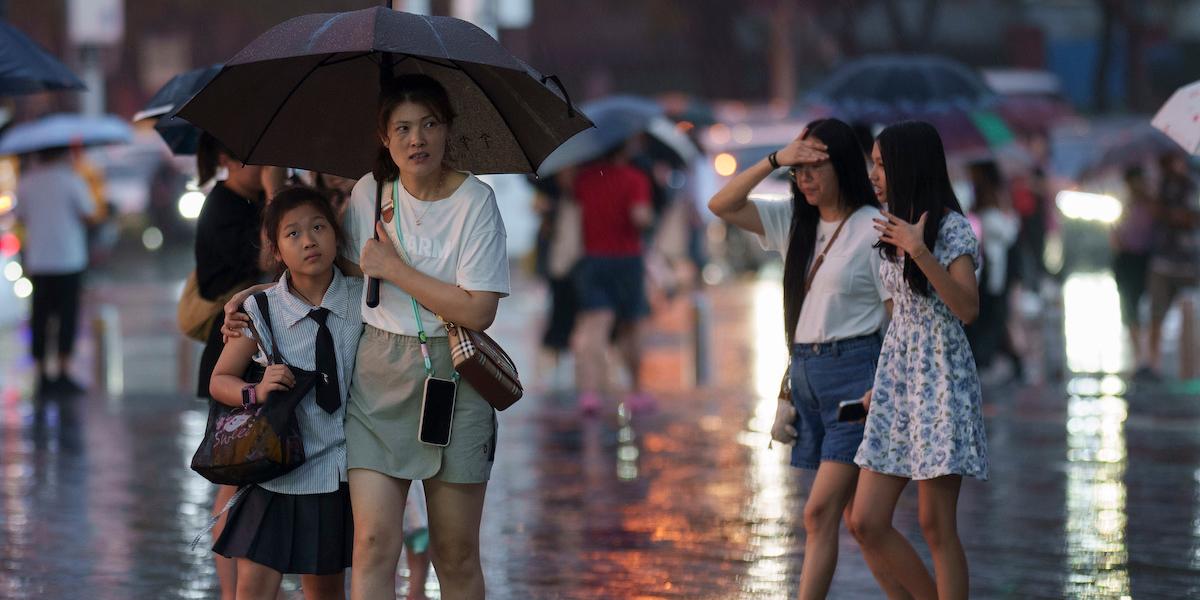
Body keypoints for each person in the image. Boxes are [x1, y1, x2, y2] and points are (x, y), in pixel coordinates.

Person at [709, 118, 901, 600]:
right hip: (810, 377)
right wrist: (776, 159)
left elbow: (899, 320)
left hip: (857, 380)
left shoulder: (871, 229)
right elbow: (722, 204)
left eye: (816, 167)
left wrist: (887, 383)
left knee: (820, 514)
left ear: (843, 167)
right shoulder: (795, 222)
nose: (806, 180)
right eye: (800, 172)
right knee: (863, 523)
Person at [340, 73, 508, 600]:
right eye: (404, 128)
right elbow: (339, 275)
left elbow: (478, 309)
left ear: (447, 130)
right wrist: (254, 299)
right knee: (371, 542)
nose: (417, 139)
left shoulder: (476, 201)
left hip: (455, 375)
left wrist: (394, 268)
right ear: (385, 139)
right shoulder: (369, 193)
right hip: (377, 376)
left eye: (429, 124)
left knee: (455, 552)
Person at [851, 121, 986, 600]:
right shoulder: (889, 227)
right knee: (865, 519)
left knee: (935, 524)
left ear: (910, 165)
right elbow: (897, 316)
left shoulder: (950, 227)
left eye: (883, 164)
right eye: (874, 162)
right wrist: (880, 382)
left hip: (944, 378)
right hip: (899, 379)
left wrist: (920, 250)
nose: (874, 173)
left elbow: (967, 309)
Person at [209, 187, 359, 600]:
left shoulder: (364, 299)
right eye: (292, 234)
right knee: (253, 589)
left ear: (336, 234)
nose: (309, 240)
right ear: (275, 250)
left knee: (326, 591)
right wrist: (254, 391)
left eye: (318, 227)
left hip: (335, 474)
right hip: (276, 474)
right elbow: (220, 379)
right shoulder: (263, 310)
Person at [192, 132, 272, 600]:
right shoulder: (221, 207)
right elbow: (256, 266)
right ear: (226, 159)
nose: (262, 167)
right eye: (254, 158)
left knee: (248, 481)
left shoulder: (251, 200)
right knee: (236, 480)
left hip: (253, 356)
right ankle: (231, 592)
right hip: (231, 355)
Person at [570, 138, 656, 416]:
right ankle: (636, 391)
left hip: (592, 258)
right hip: (627, 259)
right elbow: (640, 217)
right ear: (624, 148)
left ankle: (590, 394)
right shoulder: (635, 178)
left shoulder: (583, 179)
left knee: (595, 326)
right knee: (632, 326)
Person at [14, 146, 99, 396]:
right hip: (68, 260)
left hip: (39, 261)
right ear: (62, 154)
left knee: (40, 318)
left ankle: (41, 375)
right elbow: (89, 214)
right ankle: (62, 371)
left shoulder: (26, 182)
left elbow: (20, 217)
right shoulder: (72, 180)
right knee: (66, 317)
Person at [965, 160, 1022, 382]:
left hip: (989, 274)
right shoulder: (990, 213)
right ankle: (1007, 359)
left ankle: (1004, 359)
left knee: (992, 319)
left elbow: (1008, 234)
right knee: (993, 318)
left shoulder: (986, 212)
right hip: (988, 274)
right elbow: (1010, 233)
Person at [1146, 152, 1199, 379]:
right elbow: (1154, 214)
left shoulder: (1193, 184)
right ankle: (1153, 365)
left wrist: (1180, 215)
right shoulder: (1160, 185)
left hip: (1188, 261)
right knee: (1156, 314)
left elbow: (1191, 217)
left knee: (1190, 315)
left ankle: (1190, 370)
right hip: (1163, 260)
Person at [531, 169, 582, 391]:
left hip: (577, 265)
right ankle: (549, 373)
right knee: (559, 316)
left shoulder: (578, 195)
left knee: (573, 317)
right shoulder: (551, 193)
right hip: (559, 266)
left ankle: (562, 370)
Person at [1110, 167, 1156, 376]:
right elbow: (1117, 236)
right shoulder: (1124, 204)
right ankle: (1138, 356)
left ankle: (1148, 357)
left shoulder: (1151, 204)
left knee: (1146, 307)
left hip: (1145, 259)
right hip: (1126, 260)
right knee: (1129, 307)